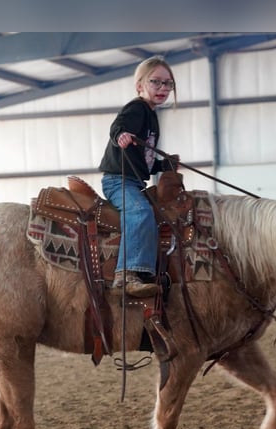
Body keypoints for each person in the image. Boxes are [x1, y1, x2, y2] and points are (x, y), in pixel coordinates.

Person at [99, 55, 179, 298]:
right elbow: (118, 126)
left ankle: (146, 271)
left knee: (154, 216)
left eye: (168, 84)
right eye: (156, 82)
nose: (163, 88)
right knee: (139, 212)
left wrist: (165, 165)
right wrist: (120, 135)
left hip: (133, 179)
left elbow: (142, 160)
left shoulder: (151, 115)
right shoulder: (138, 108)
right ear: (140, 85)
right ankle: (125, 275)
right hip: (117, 180)